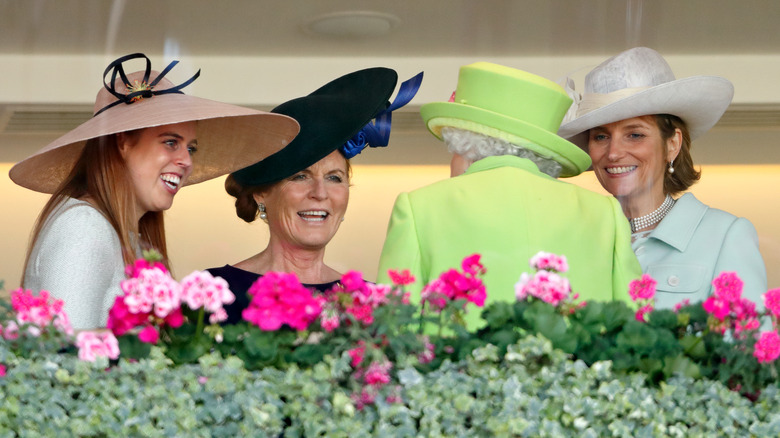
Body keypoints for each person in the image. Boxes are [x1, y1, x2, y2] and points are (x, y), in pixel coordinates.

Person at [10, 53, 299, 329]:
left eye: (191, 148)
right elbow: (67, 360)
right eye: (171, 142)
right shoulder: (84, 226)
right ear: (123, 142)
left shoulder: (125, 235)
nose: (187, 160)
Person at [377, 62, 642, 329]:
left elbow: (394, 331)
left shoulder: (417, 208)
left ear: (463, 145)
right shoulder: (604, 213)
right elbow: (634, 331)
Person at [208, 67, 422, 324]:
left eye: (334, 178)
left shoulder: (371, 303)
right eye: (300, 176)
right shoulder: (215, 293)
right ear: (262, 192)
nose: (320, 193)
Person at [558, 47, 767, 309]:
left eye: (635, 134)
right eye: (601, 136)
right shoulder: (575, 239)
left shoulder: (725, 235)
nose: (613, 153)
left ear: (672, 144)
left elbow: (749, 344)